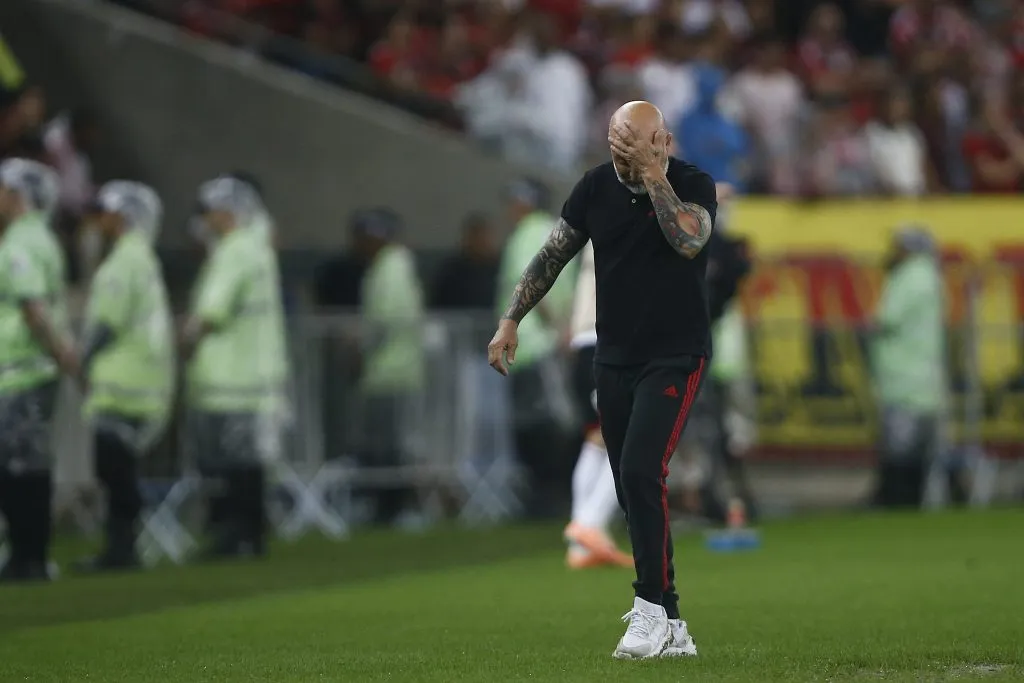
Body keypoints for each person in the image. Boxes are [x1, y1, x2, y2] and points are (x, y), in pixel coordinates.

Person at [488, 100, 717, 659]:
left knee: (643, 469)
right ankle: (673, 623)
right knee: (630, 482)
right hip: (613, 356)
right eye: (620, 147)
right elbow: (553, 254)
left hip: (675, 354)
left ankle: (647, 609)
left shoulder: (691, 183)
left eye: (640, 144)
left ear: (662, 139)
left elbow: (687, 241)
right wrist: (511, 319)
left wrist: (656, 176)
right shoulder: (593, 188)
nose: (629, 156)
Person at [181, 175, 287, 558]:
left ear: (226, 213)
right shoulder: (257, 248)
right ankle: (251, 536)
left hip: (229, 377)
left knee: (231, 465)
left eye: (209, 212)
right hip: (252, 374)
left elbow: (210, 312)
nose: (205, 220)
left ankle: (236, 537)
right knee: (249, 463)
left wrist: (183, 342)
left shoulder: (235, 250)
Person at [75, 181, 174, 572]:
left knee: (115, 470)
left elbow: (106, 322)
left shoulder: (124, 261)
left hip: (122, 386)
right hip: (140, 383)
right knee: (120, 469)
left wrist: (82, 360)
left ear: (122, 216)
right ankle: (122, 547)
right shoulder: (143, 257)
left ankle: (121, 549)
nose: (98, 219)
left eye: (104, 211)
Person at [0, 158, 75, 582]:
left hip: (21, 371)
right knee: (27, 464)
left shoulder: (20, 243)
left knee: (18, 467)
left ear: (16, 194)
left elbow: (32, 309)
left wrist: (59, 349)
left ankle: (28, 557)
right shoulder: (42, 238)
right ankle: (30, 554)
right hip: (33, 370)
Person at [495, 177, 578, 520]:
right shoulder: (551, 230)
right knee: (546, 423)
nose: (510, 208)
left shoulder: (530, 232)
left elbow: (532, 281)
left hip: (533, 344)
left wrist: (558, 329)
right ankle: (552, 497)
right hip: (539, 344)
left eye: (515, 200)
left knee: (542, 426)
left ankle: (548, 499)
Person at [351, 208, 425, 526]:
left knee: (389, 448)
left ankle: (393, 509)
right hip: (391, 371)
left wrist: (360, 344)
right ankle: (387, 508)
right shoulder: (390, 266)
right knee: (387, 445)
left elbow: (387, 321)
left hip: (392, 371)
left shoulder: (391, 268)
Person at [563, 239, 633, 570]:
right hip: (602, 341)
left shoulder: (592, 228)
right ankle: (589, 523)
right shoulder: (619, 225)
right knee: (622, 438)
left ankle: (581, 541)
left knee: (596, 437)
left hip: (584, 344)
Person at [870, 226, 947, 508]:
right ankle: (913, 499)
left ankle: (895, 499)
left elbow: (887, 318)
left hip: (902, 374)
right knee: (920, 447)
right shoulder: (932, 277)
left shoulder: (908, 277)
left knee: (899, 446)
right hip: (926, 373)